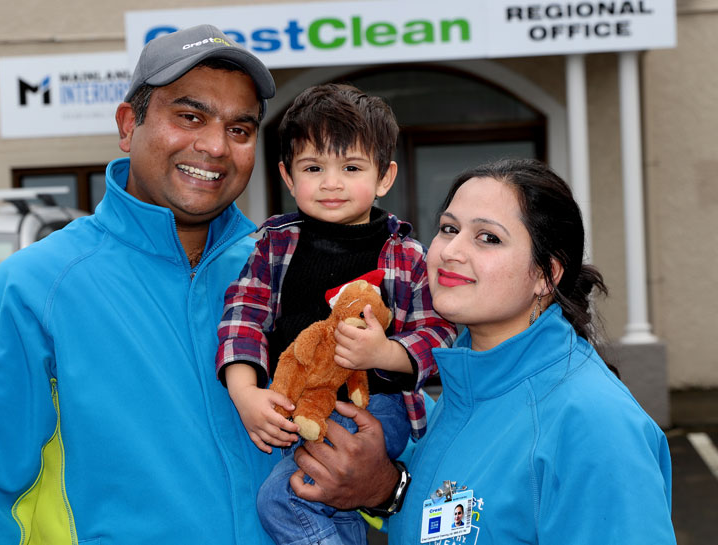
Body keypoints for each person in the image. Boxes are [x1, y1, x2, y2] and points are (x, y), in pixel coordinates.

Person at [0, 24, 285, 544]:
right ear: (128, 124)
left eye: (239, 129)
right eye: (190, 117)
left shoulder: (278, 274)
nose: (214, 146)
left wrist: (382, 483)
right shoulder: (27, 291)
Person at [381, 158, 676, 543]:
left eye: (488, 237)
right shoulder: (464, 392)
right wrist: (386, 490)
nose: (451, 251)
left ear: (545, 275)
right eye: (449, 228)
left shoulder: (595, 424)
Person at [215, 83, 455, 545]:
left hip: (375, 408)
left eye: (351, 167)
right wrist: (245, 393)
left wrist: (385, 353)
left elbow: (439, 331)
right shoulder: (274, 246)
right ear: (288, 177)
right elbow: (243, 316)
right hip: (303, 403)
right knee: (325, 503)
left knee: (285, 498)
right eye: (313, 168)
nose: (331, 182)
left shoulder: (405, 254)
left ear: (384, 177)